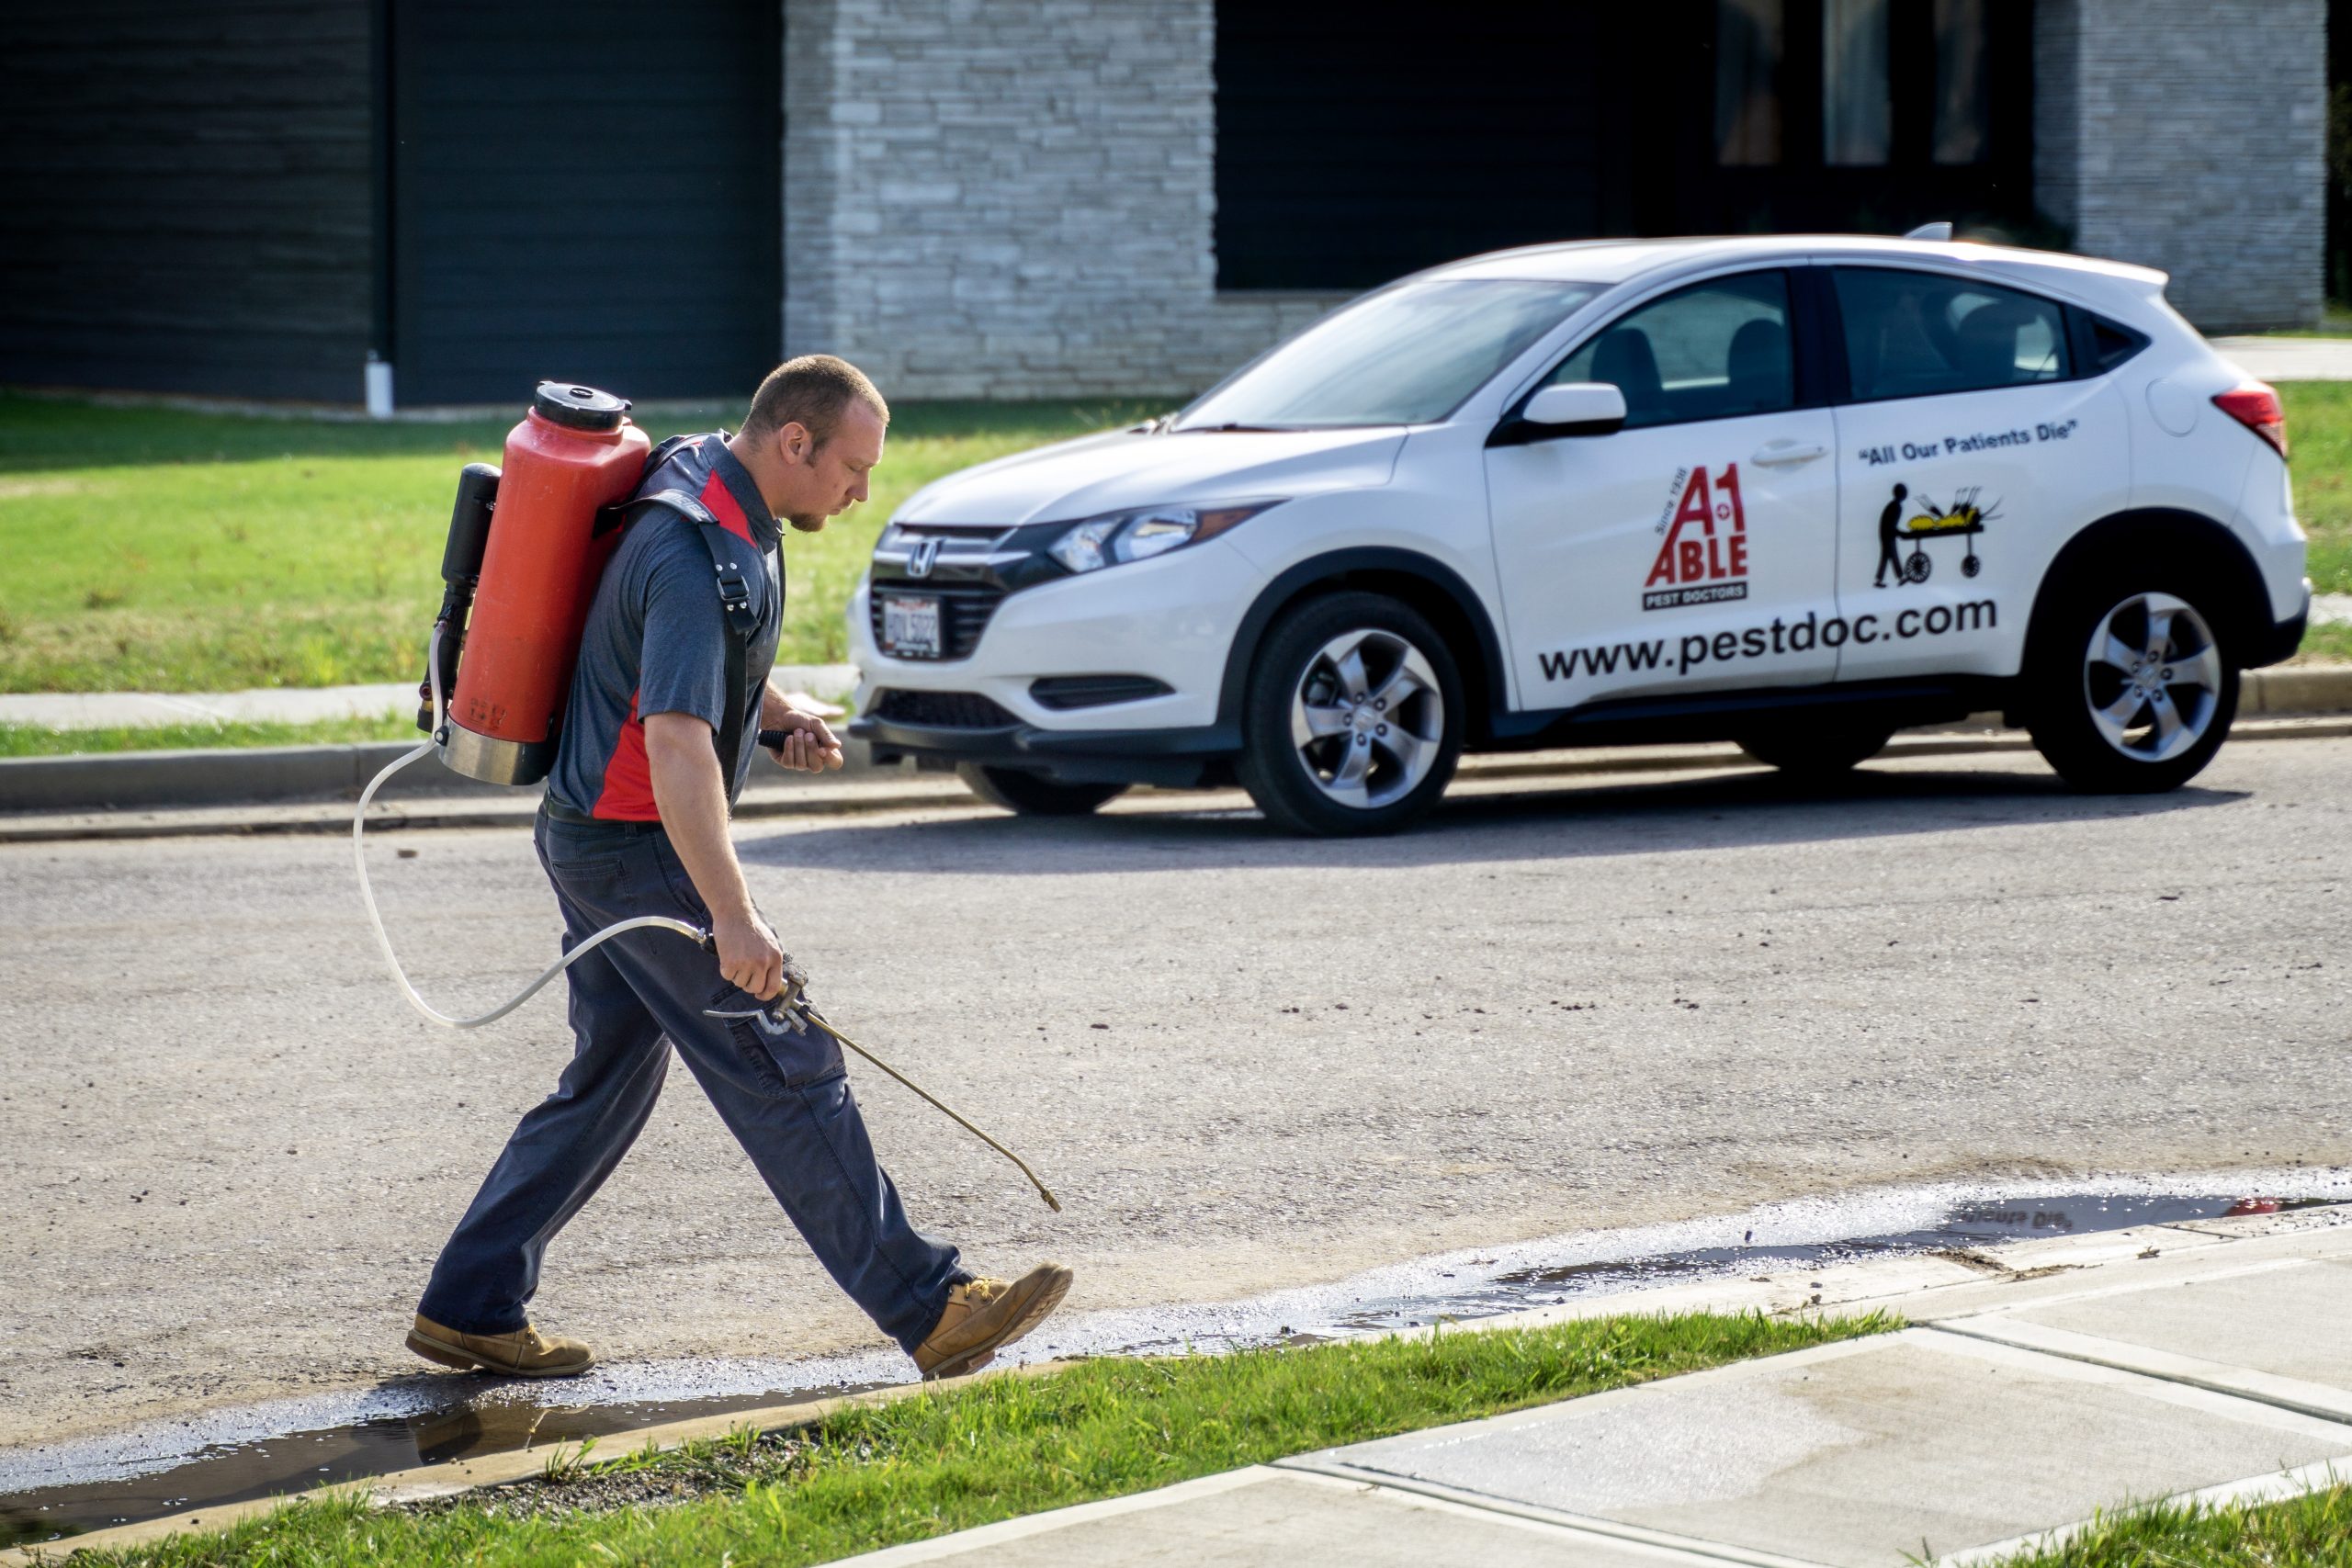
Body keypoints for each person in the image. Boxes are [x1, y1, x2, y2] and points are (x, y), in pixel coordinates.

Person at [408, 355, 1070, 1382]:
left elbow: (669, 661)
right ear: (794, 441)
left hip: (595, 835)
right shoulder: (691, 545)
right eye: (852, 469)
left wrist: (770, 713)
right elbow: (673, 741)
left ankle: (471, 1305)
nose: (860, 493)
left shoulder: (716, 495)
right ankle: (930, 1306)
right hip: (636, 850)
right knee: (787, 1065)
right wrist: (734, 918)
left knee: (606, 1084)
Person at [1874, 482, 1909, 588]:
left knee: (1887, 557)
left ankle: (1879, 580)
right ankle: (1900, 577)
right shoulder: (1896, 506)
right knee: (1892, 555)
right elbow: (1891, 524)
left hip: (1886, 534)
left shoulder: (1893, 505)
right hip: (1888, 534)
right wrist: (1899, 533)